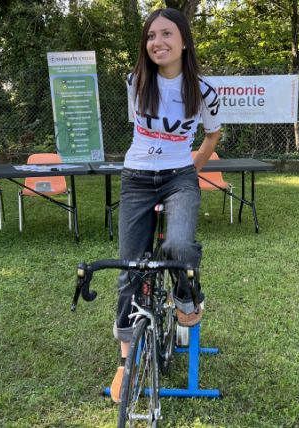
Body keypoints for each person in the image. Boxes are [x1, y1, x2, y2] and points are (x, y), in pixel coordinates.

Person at [110, 8, 221, 403]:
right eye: (151, 36)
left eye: (167, 34)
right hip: (136, 178)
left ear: (184, 41)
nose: (157, 42)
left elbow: (212, 136)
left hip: (179, 177)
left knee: (178, 246)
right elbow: (139, 132)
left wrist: (189, 171)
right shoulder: (135, 81)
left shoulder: (203, 91)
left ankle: (187, 296)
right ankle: (125, 361)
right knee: (129, 268)